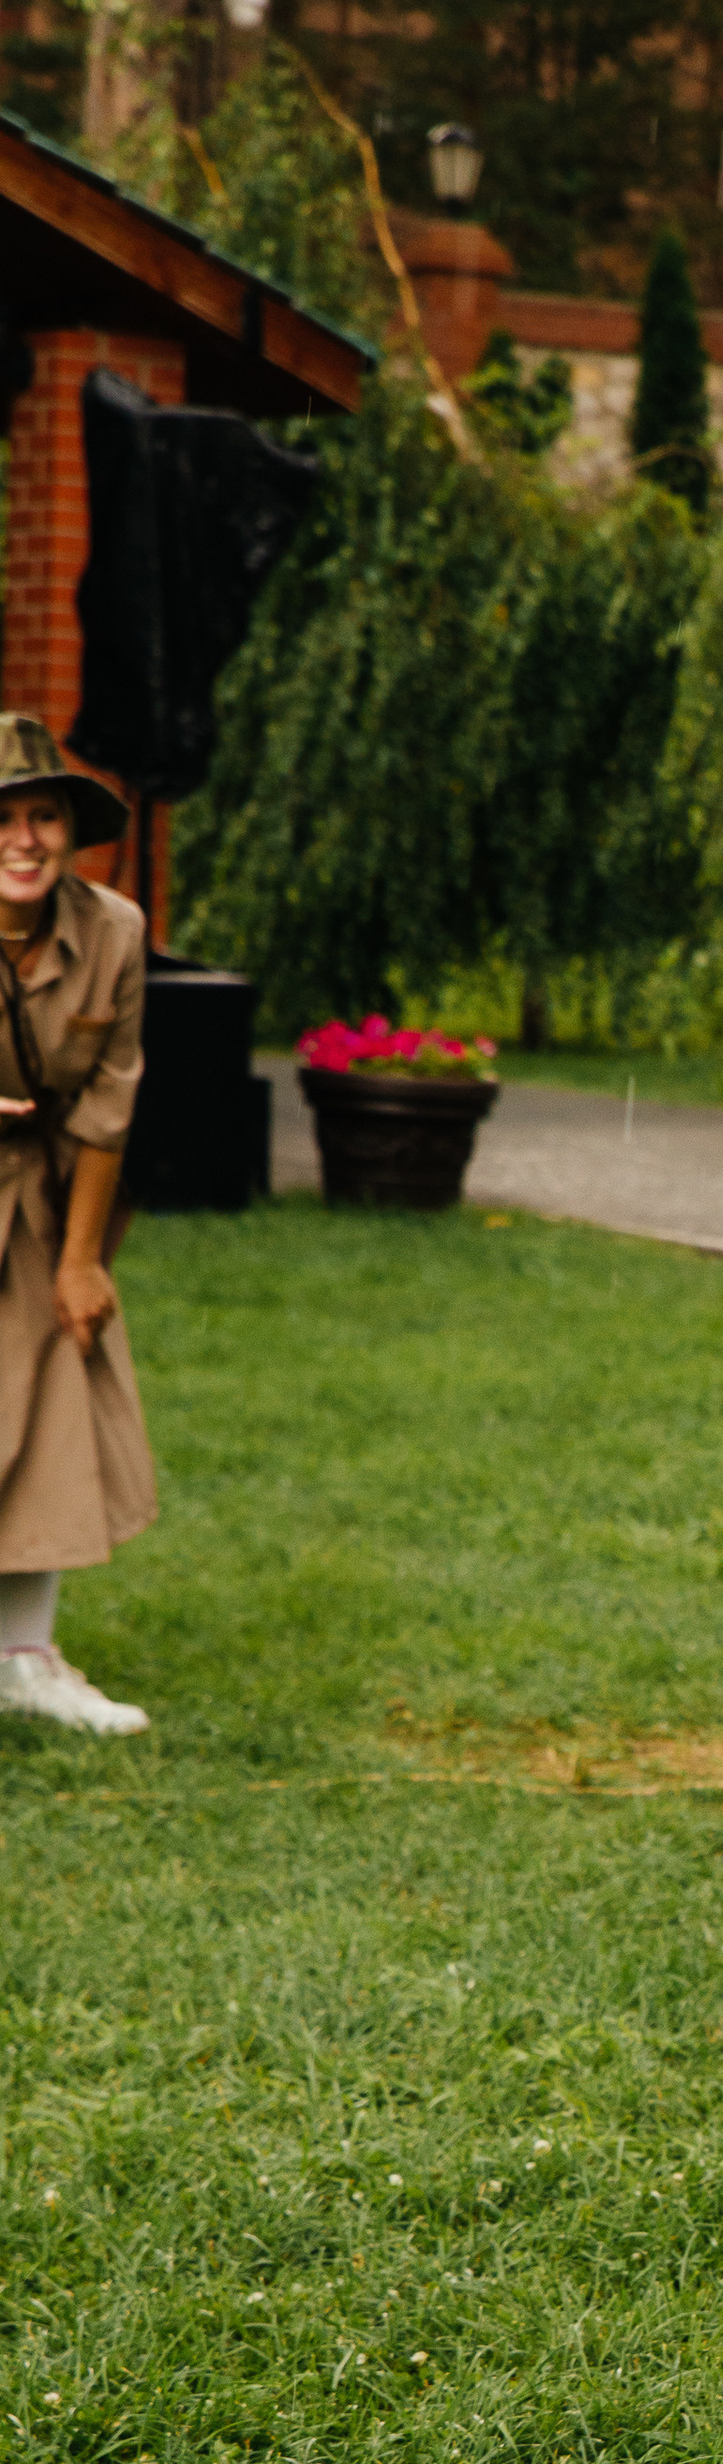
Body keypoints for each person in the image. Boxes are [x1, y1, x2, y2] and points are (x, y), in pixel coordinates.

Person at [0, 717, 156, 1738]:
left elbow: (109, 1098)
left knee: (55, 1383)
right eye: (2, 820)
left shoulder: (114, 933)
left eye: (43, 816)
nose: (24, 839)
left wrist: (82, 1260)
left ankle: (25, 1654)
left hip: (46, 1192)